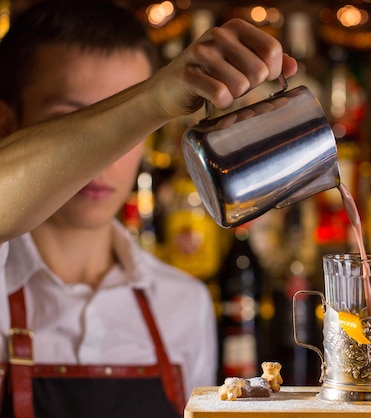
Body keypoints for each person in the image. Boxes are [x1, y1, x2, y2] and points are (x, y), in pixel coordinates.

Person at [0, 1, 297, 417]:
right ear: (6, 124)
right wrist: (151, 100)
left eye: (126, 130)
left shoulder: (182, 304)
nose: (102, 158)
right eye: (73, 122)